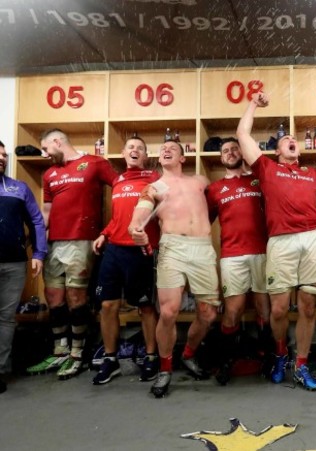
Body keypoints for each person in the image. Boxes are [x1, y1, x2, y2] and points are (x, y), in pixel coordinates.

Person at [236, 92, 316, 391]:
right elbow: (242, 134)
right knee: (278, 309)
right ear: (277, 151)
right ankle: (280, 353)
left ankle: (301, 364)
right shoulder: (266, 169)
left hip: (310, 240)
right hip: (280, 241)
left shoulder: (312, 174)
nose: (292, 140)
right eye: (285, 139)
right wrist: (253, 104)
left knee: (307, 306)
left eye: (294, 139)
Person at [129, 139, 220, 398]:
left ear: (183, 157)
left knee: (209, 313)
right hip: (173, 248)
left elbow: (217, 206)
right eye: (163, 149)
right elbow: (138, 216)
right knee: (168, 312)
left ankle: (188, 354)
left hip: (203, 247)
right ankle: (165, 368)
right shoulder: (154, 187)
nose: (166, 150)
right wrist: (136, 230)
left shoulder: (200, 181)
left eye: (172, 149)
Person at [27, 129, 117, 379]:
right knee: (54, 297)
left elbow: (120, 189)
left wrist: (110, 230)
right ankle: (60, 351)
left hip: (81, 240)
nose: (45, 154)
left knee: (76, 297)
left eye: (46, 149)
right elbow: (46, 211)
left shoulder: (95, 163)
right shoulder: (50, 174)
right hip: (53, 242)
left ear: (58, 141)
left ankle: (78, 353)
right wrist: (37, 243)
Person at [91, 136, 160, 385]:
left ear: (145, 156)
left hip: (140, 251)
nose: (135, 150)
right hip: (114, 250)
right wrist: (104, 233)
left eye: (140, 148)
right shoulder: (118, 180)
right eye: (131, 147)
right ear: (123, 153)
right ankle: (111, 359)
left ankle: (151, 356)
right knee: (107, 306)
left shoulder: (153, 178)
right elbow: (118, 217)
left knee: (145, 307)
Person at [205, 137, 272, 385]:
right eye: (225, 151)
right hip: (231, 255)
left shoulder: (259, 180)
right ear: (220, 157)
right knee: (233, 309)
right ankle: (225, 360)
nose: (231, 153)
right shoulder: (214, 189)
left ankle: (268, 357)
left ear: (242, 153)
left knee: (264, 307)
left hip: (262, 252)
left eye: (235, 149)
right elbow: (203, 223)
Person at [0, 142, 47, 393]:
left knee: (6, 319)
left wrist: (38, 253)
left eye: (4, 154)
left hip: (14, 263)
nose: (1, 157)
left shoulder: (18, 188)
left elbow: (37, 221)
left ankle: (0, 370)